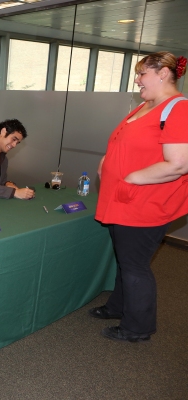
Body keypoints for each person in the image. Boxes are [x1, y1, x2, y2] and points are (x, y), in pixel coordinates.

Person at [91, 51, 188, 343]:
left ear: (163, 74)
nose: (137, 80)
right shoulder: (147, 106)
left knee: (135, 265)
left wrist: (131, 178)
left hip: (144, 205)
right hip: (125, 202)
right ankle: (118, 306)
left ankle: (138, 327)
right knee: (126, 260)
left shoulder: (179, 109)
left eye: (142, 73)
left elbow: (179, 164)